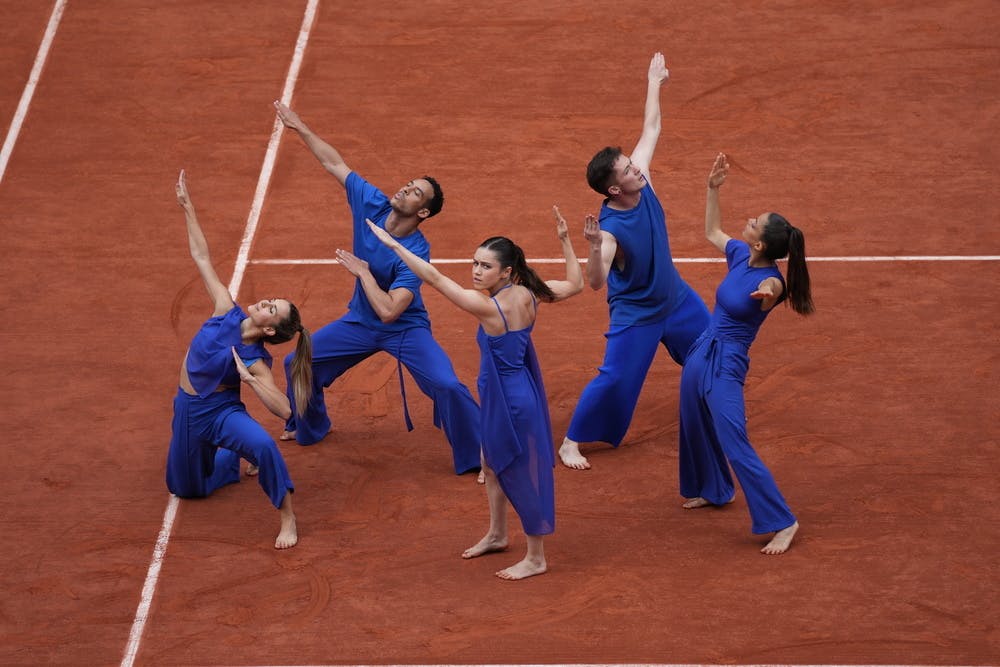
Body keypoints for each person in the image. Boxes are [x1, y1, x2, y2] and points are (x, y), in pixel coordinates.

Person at [367, 206, 583, 580]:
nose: (476, 271)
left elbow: (434, 277)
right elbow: (575, 284)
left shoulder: (487, 307)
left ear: (506, 272)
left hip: (510, 402)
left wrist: (394, 245)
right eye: (475, 263)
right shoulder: (530, 292)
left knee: (519, 473)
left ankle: (536, 557)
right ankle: (498, 534)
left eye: (485, 266)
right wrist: (566, 241)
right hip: (511, 393)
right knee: (490, 464)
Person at [273, 101, 481, 476]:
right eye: (409, 184)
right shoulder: (373, 203)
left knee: (447, 385)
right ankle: (311, 425)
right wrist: (300, 127)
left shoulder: (416, 253)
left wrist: (364, 273)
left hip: (404, 329)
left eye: (415, 193)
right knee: (297, 363)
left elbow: (389, 311)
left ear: (423, 213)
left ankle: (482, 452)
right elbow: (334, 163)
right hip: (360, 323)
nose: (405, 189)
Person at [559, 52, 711, 470]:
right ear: (613, 189)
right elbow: (595, 282)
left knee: (712, 350)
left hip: (676, 298)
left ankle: (715, 409)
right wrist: (593, 246)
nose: (636, 170)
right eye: (628, 171)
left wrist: (653, 82)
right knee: (616, 379)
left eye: (631, 164)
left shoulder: (644, 182)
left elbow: (651, 127)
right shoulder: (609, 233)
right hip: (638, 313)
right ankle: (571, 440)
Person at [166, 170, 313, 549]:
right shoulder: (224, 308)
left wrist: (250, 381)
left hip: (219, 412)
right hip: (187, 409)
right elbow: (201, 256)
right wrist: (188, 208)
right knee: (185, 489)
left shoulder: (255, 358)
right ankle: (230, 459)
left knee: (263, 445)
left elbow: (284, 410)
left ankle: (288, 516)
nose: (265, 301)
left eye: (271, 308)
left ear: (269, 330)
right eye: (271, 300)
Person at [678, 153, 814, 555]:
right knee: (692, 416)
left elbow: (772, 292)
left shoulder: (772, 280)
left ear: (760, 243)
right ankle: (714, 489)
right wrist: (712, 189)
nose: (749, 220)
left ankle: (783, 521)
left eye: (755, 222)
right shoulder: (740, 254)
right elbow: (712, 231)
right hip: (703, 348)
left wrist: (767, 292)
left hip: (727, 362)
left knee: (733, 438)